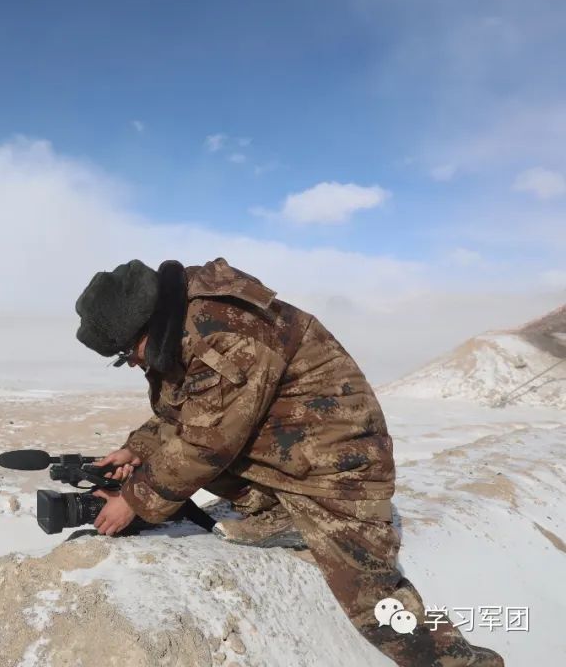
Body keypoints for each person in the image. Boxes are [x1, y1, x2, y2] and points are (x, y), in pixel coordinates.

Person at [74, 258, 504, 667]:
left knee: (373, 603)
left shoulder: (222, 332)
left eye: (127, 354)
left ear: (144, 324)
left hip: (340, 470)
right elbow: (189, 410)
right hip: (292, 453)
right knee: (179, 459)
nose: (133, 364)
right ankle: (282, 514)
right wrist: (138, 449)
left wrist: (133, 500)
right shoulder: (184, 321)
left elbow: (207, 442)